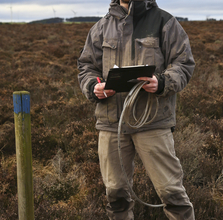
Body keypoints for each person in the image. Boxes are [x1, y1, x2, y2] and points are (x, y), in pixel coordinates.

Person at [78, 0, 195, 219]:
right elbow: (86, 67)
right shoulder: (101, 27)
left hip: (153, 122)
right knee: (116, 196)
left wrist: (162, 82)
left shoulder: (165, 22)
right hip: (111, 124)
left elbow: (183, 63)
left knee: (172, 194)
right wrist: (94, 87)